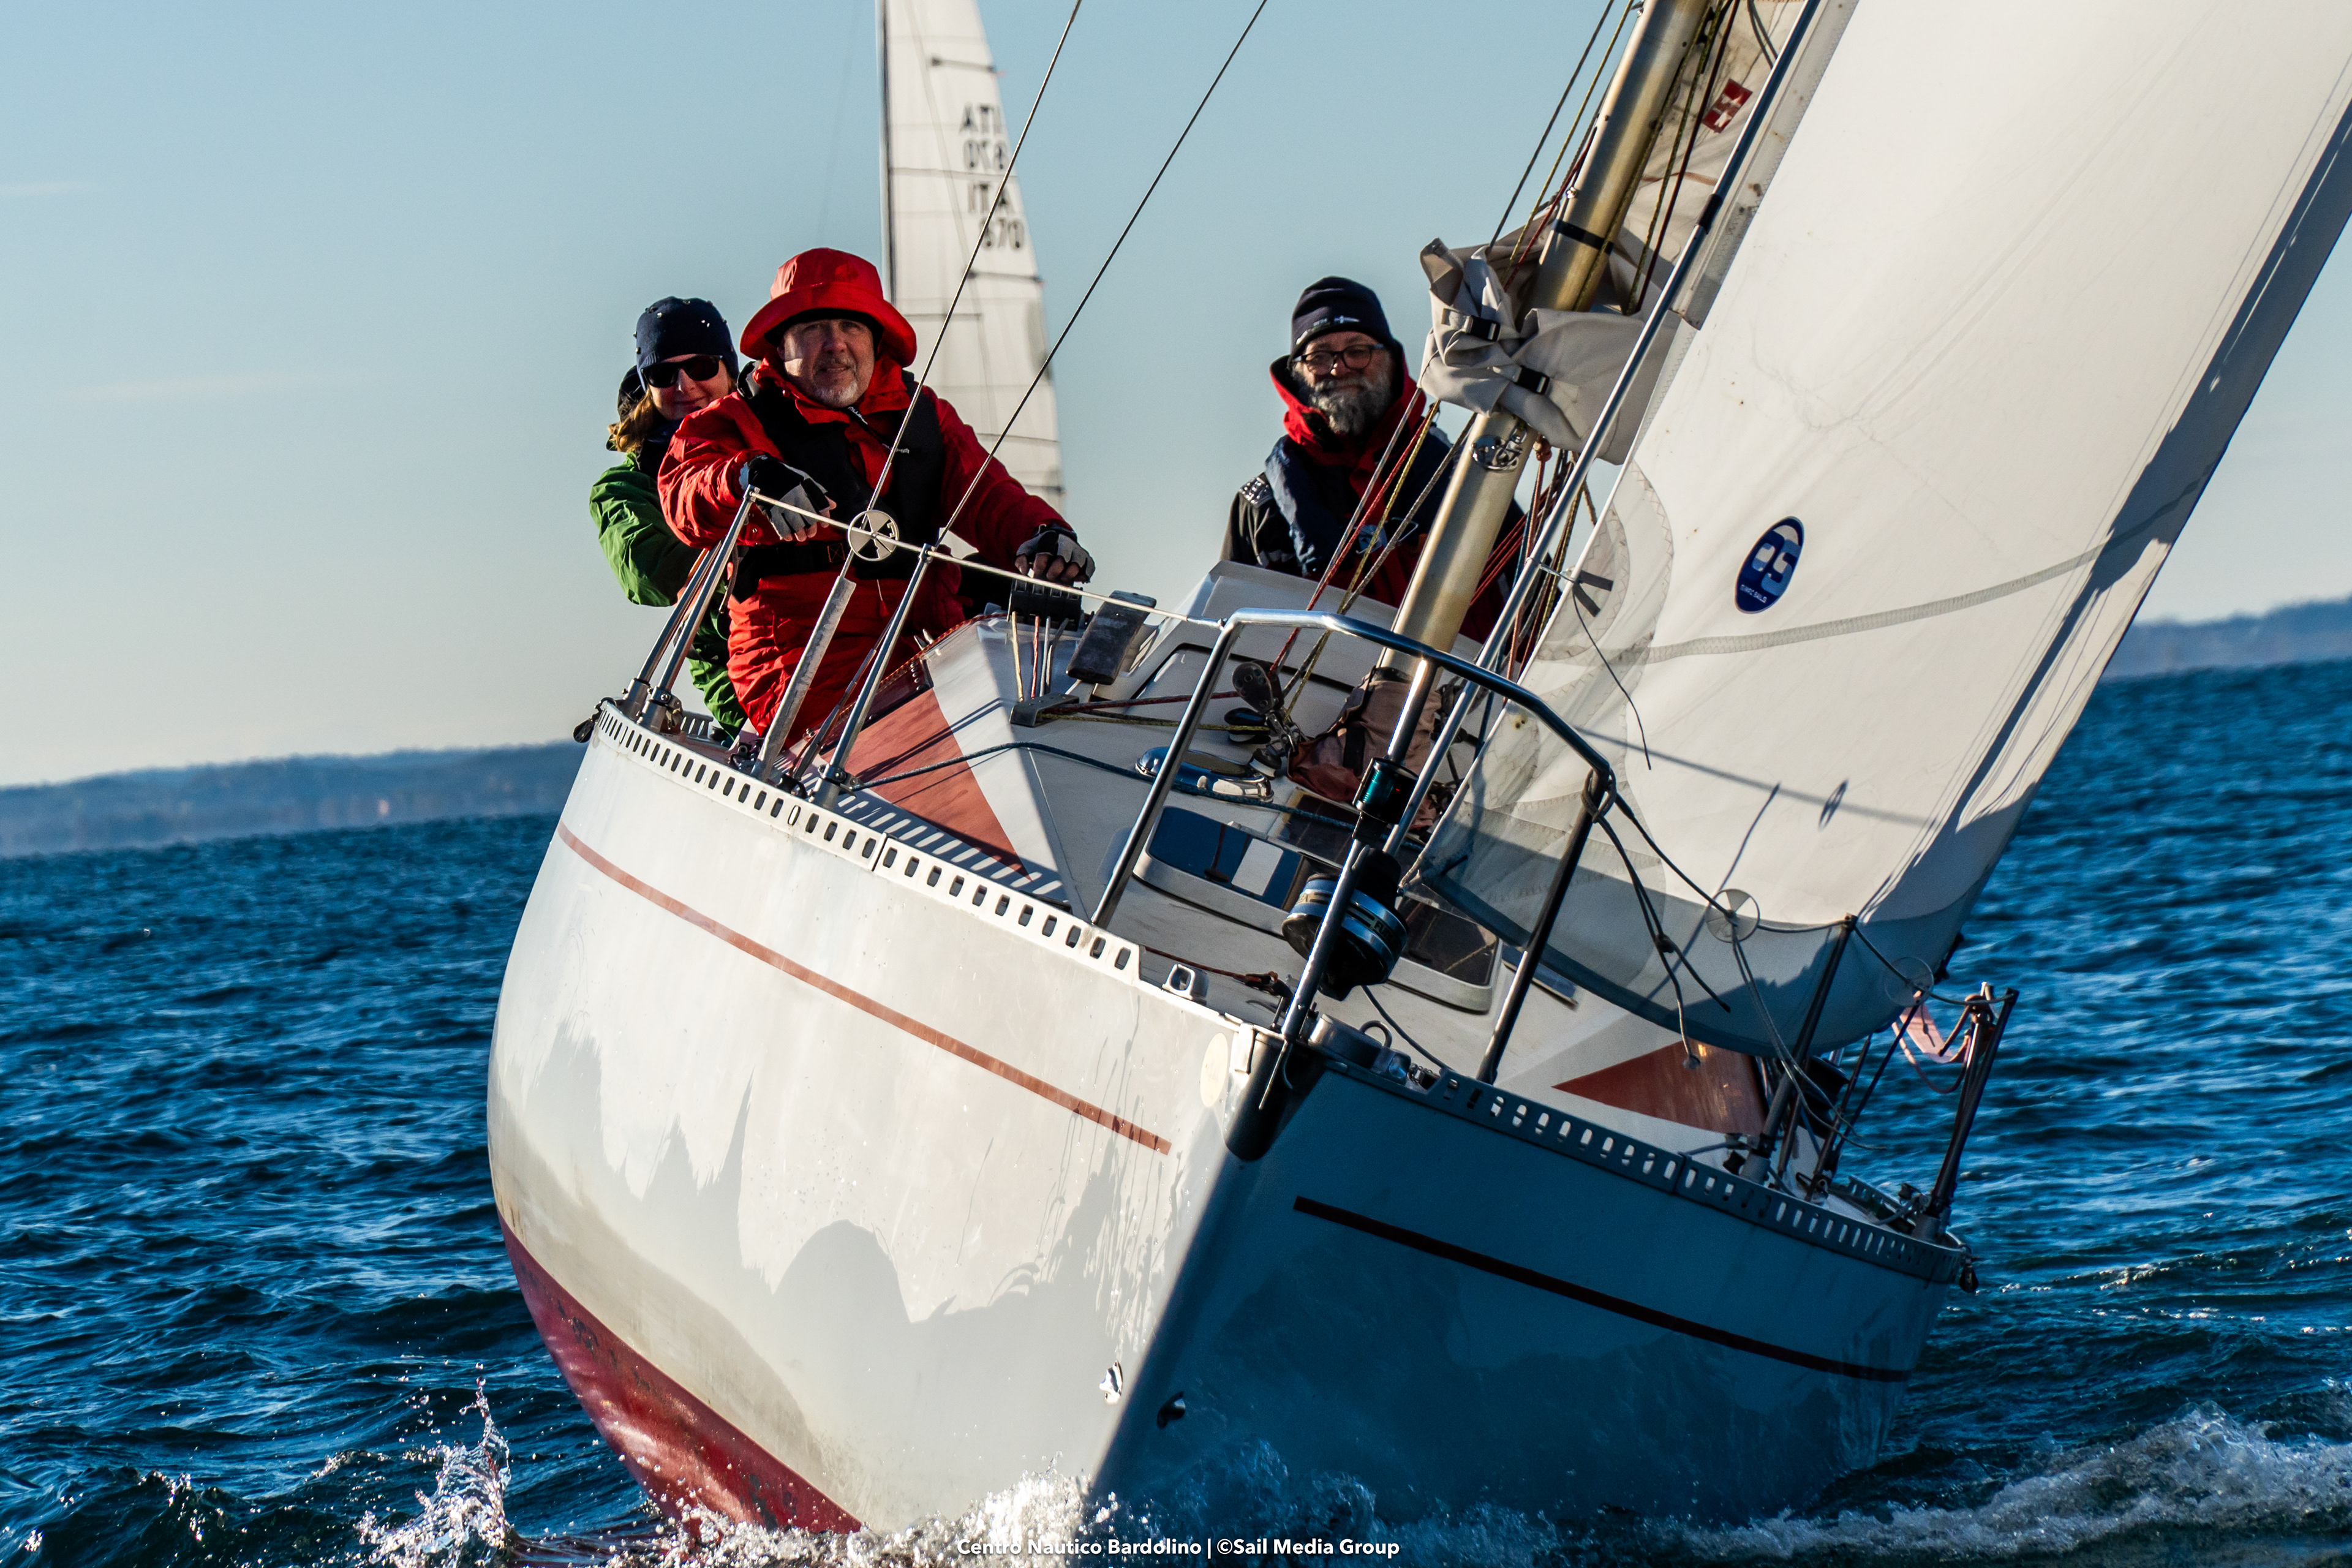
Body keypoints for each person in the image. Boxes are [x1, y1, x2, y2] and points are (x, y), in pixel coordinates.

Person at [660, 248, 1090, 741]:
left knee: (1028, 725)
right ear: (781, 344)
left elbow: (988, 494)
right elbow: (683, 492)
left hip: (930, 638)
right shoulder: (732, 422)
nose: (835, 344)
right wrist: (747, 478)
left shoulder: (924, 414)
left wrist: (1045, 533)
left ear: (875, 339)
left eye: (851, 326)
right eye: (813, 329)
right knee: (911, 751)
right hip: (802, 660)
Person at [1223, 276, 1507, 639]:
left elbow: (1537, 614)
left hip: (1455, 674)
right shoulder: (1260, 508)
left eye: (1358, 351)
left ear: (1392, 362)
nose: (1338, 369)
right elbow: (1225, 631)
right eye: (1319, 357)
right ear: (1298, 374)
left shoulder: (1466, 477)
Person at [593, 297, 745, 732]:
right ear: (647, 385)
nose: (685, 386)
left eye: (701, 367)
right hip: (737, 672)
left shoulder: (783, 432)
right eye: (663, 374)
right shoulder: (625, 487)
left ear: (729, 369)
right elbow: (651, 571)